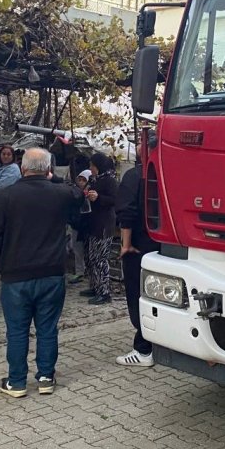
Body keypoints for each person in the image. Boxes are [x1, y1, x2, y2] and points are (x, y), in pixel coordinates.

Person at [0, 148, 83, 398]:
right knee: (47, 328)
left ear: (22, 168)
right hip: (52, 274)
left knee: (17, 330)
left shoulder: (9, 196)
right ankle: (46, 377)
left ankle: (16, 382)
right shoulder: (60, 193)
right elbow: (78, 194)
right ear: (48, 169)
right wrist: (53, 177)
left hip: (16, 276)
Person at [115, 160, 160, 367]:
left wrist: (125, 244)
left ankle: (143, 349)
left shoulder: (135, 176)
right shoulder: (170, 169)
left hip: (139, 246)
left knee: (138, 295)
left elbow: (127, 212)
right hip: (164, 245)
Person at [80, 152, 117, 305]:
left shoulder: (109, 180)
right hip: (93, 223)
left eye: (92, 166)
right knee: (91, 257)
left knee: (100, 259)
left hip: (103, 225)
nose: (91, 169)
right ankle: (96, 286)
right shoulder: (96, 180)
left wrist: (99, 198)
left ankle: (104, 291)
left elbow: (115, 199)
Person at [66, 169, 91, 284]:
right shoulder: (74, 192)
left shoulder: (91, 192)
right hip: (76, 224)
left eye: (83, 180)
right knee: (77, 249)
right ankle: (80, 271)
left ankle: (87, 271)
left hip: (87, 225)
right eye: (79, 179)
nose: (81, 182)